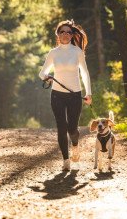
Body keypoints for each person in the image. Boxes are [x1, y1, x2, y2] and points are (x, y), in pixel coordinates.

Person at [39, 19, 92, 171]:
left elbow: (85, 73)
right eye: (62, 31)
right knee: (61, 127)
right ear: (58, 34)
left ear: (72, 34)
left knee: (72, 128)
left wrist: (88, 93)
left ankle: (75, 145)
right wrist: (47, 77)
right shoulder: (53, 53)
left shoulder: (77, 52)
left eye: (69, 32)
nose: (66, 34)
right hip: (57, 95)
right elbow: (42, 72)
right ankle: (66, 161)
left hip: (75, 95)